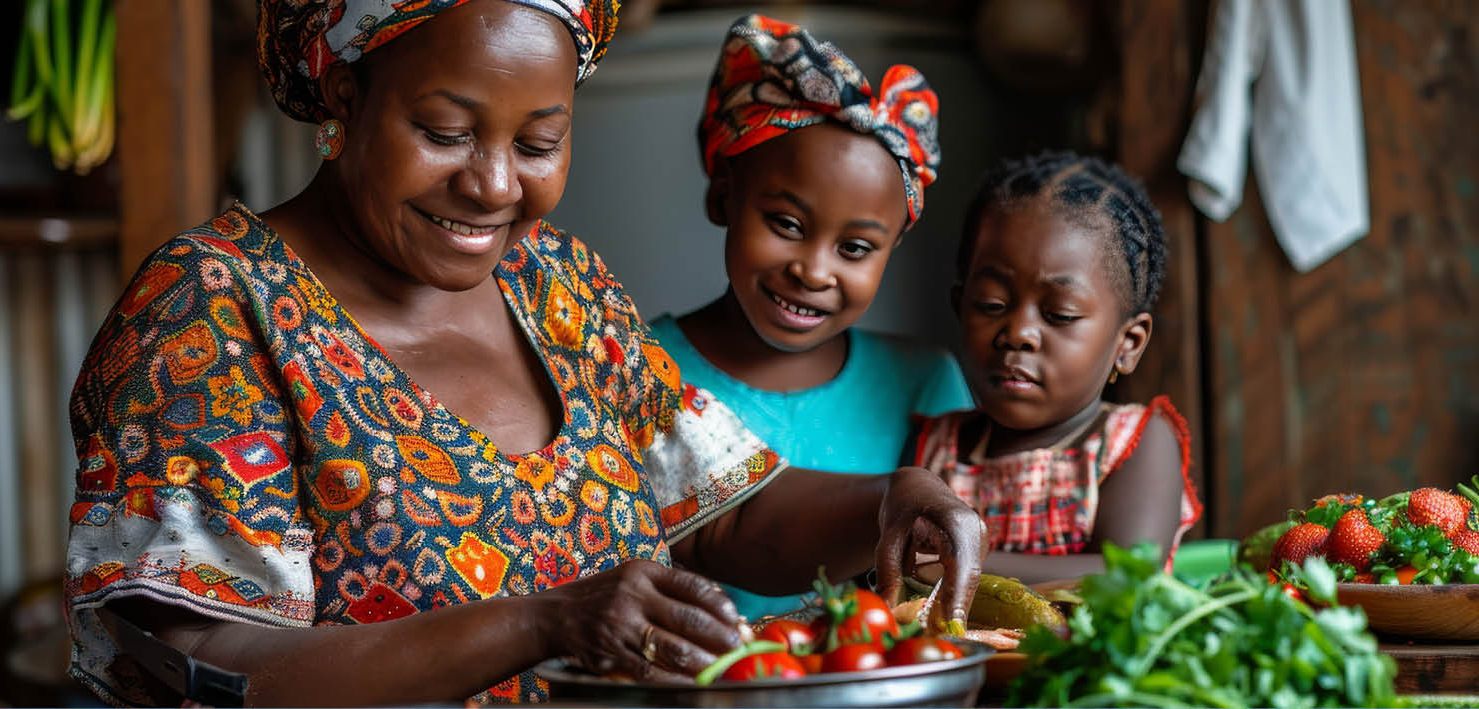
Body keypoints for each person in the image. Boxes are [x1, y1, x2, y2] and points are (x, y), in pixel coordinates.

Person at [62, 1, 988, 705]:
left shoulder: (556, 282)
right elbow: (204, 662)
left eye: (539, 141)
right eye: (446, 133)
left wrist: (888, 500)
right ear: (346, 94)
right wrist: (544, 621)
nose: (495, 185)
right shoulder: (212, 312)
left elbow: (718, 516)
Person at [648, 15, 974, 621]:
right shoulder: (637, 366)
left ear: (891, 250)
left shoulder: (924, 382)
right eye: (788, 226)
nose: (814, 271)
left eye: (854, 249)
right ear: (724, 197)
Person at [906, 152, 1202, 584]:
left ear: (1128, 343)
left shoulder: (1131, 444)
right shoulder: (934, 448)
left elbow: (1128, 575)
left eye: (1059, 314)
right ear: (960, 307)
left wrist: (958, 561)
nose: (1018, 332)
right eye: (992, 304)